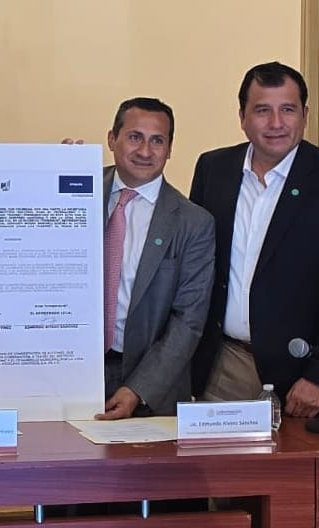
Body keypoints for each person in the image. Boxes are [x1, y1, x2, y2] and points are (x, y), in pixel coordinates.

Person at [189, 61, 319, 417]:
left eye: (288, 110)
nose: (276, 123)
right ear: (242, 116)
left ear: (305, 115)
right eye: (263, 110)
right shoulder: (213, 170)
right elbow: (195, 263)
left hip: (300, 379)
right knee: (218, 456)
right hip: (223, 367)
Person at [92, 97, 215, 419]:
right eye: (135, 137)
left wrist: (139, 389)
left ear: (170, 148)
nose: (145, 151)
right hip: (70, 373)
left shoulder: (193, 222)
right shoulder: (76, 191)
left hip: (149, 386)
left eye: (157, 141)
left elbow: (188, 320)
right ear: (112, 139)